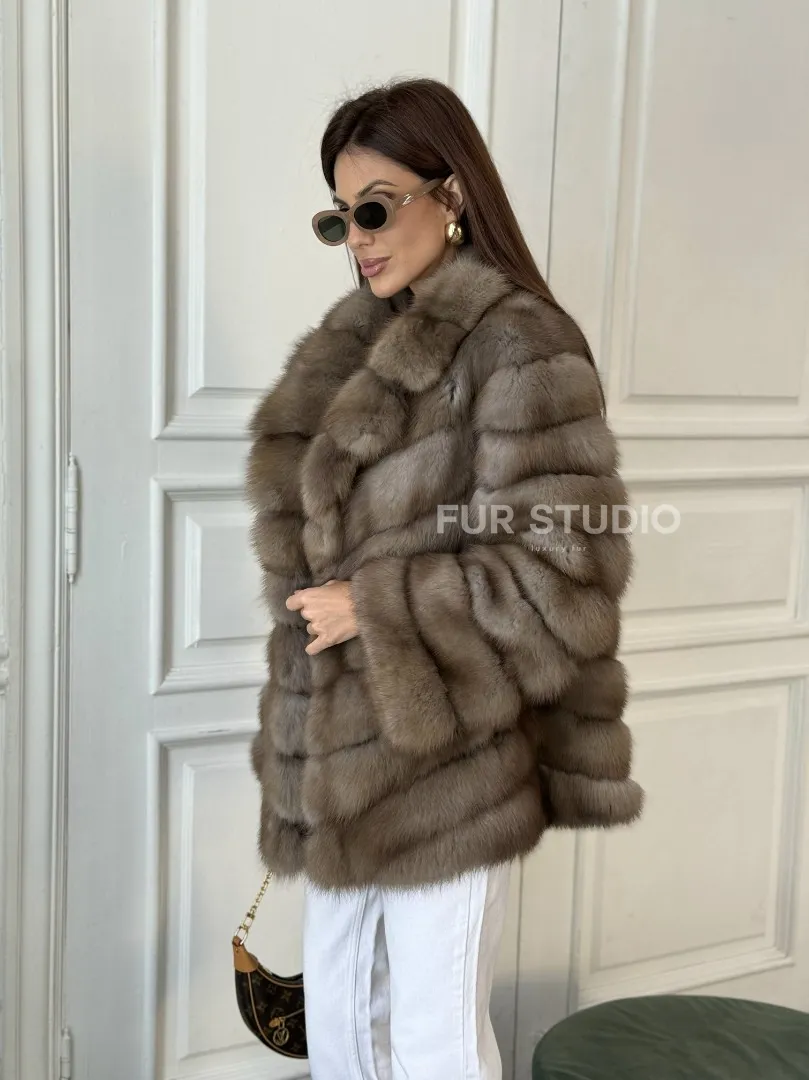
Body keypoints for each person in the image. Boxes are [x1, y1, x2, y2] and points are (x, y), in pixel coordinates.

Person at [245, 76, 644, 1080]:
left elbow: (568, 570)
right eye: (338, 217)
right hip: (340, 758)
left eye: (375, 209)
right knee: (343, 1028)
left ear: (451, 193)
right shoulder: (356, 348)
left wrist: (377, 606)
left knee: (431, 1044)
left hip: (447, 765)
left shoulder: (517, 344)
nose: (356, 238)